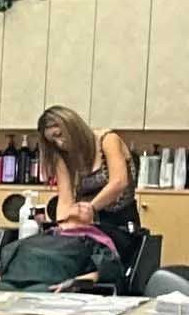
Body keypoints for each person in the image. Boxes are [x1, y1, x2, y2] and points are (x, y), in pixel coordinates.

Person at [37, 104, 138, 249]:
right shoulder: (62, 157)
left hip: (120, 225)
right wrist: (63, 226)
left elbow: (119, 182)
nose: (59, 143)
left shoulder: (108, 140)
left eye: (59, 135)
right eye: (53, 141)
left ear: (72, 127)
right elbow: (65, 200)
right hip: (86, 227)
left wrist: (89, 208)